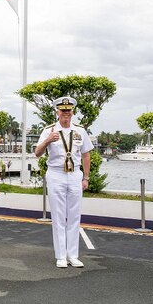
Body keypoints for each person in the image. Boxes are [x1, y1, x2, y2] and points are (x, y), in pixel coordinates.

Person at [34, 97, 93, 268]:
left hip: (74, 175)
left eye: (68, 110)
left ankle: (73, 255)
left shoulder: (80, 131)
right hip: (56, 174)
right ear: (57, 112)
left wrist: (86, 177)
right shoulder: (48, 130)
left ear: (72, 112)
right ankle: (61, 256)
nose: (65, 113)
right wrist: (47, 141)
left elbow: (86, 154)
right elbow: (37, 153)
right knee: (59, 216)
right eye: (62, 110)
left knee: (74, 216)